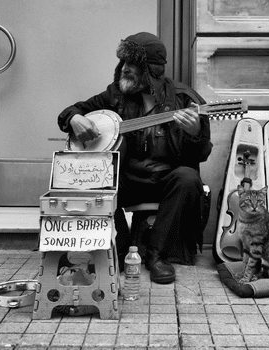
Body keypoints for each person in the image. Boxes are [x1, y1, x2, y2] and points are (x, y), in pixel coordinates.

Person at [57, 32, 212, 284]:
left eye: (133, 65)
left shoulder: (185, 100)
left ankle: (157, 256)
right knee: (97, 177)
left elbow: (200, 155)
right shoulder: (116, 96)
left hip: (165, 181)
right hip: (128, 180)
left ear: (151, 71)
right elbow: (72, 112)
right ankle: (119, 246)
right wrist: (74, 118)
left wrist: (194, 133)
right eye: (124, 63)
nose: (125, 69)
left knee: (188, 177)